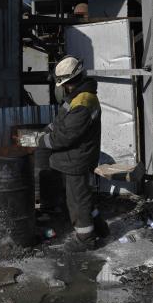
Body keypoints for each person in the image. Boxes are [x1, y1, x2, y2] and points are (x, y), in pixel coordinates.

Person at [37, 55, 109, 252]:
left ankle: (86, 239)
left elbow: (65, 137)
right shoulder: (78, 96)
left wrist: (41, 140)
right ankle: (101, 229)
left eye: (63, 83)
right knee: (83, 195)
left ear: (69, 82)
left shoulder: (83, 102)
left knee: (77, 200)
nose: (62, 87)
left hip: (76, 158)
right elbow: (63, 122)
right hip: (76, 156)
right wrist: (48, 128)